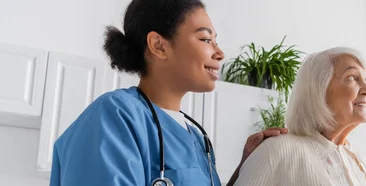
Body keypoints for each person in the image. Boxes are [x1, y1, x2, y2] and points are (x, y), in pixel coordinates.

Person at [49, 0, 287, 186]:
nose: (220, 53)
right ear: (159, 45)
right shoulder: (115, 117)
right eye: (205, 39)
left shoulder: (196, 137)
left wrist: (246, 165)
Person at [234, 47, 366, 186]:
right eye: (352, 78)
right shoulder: (275, 150)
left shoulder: (360, 160)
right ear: (319, 88)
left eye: (365, 79)